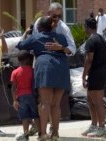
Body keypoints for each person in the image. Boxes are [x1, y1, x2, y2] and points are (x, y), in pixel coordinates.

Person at [17, 16, 70, 141]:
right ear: (52, 26)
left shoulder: (36, 37)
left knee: (45, 103)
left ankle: (43, 134)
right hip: (61, 69)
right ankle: (55, 134)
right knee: (56, 104)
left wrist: (26, 33)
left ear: (39, 27)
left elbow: (20, 45)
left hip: (45, 68)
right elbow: (68, 49)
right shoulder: (61, 37)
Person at [31, 2, 76, 137]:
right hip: (46, 66)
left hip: (52, 67)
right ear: (48, 13)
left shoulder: (63, 28)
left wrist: (61, 47)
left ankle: (51, 132)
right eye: (54, 16)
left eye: (59, 16)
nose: (57, 19)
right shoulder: (40, 22)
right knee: (44, 102)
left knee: (52, 103)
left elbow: (73, 49)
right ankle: (43, 130)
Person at [81, 17, 106, 138]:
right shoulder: (102, 38)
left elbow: (89, 59)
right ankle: (94, 125)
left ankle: (102, 128)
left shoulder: (91, 40)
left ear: (86, 27)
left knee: (97, 102)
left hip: (96, 73)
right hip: (102, 71)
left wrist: (83, 76)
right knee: (90, 100)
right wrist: (103, 65)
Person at [10, 50, 40, 140]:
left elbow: (13, 87)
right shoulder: (33, 71)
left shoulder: (15, 72)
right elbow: (37, 85)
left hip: (21, 97)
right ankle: (41, 133)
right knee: (36, 115)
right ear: (28, 60)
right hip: (32, 95)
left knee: (24, 117)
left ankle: (26, 135)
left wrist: (14, 100)